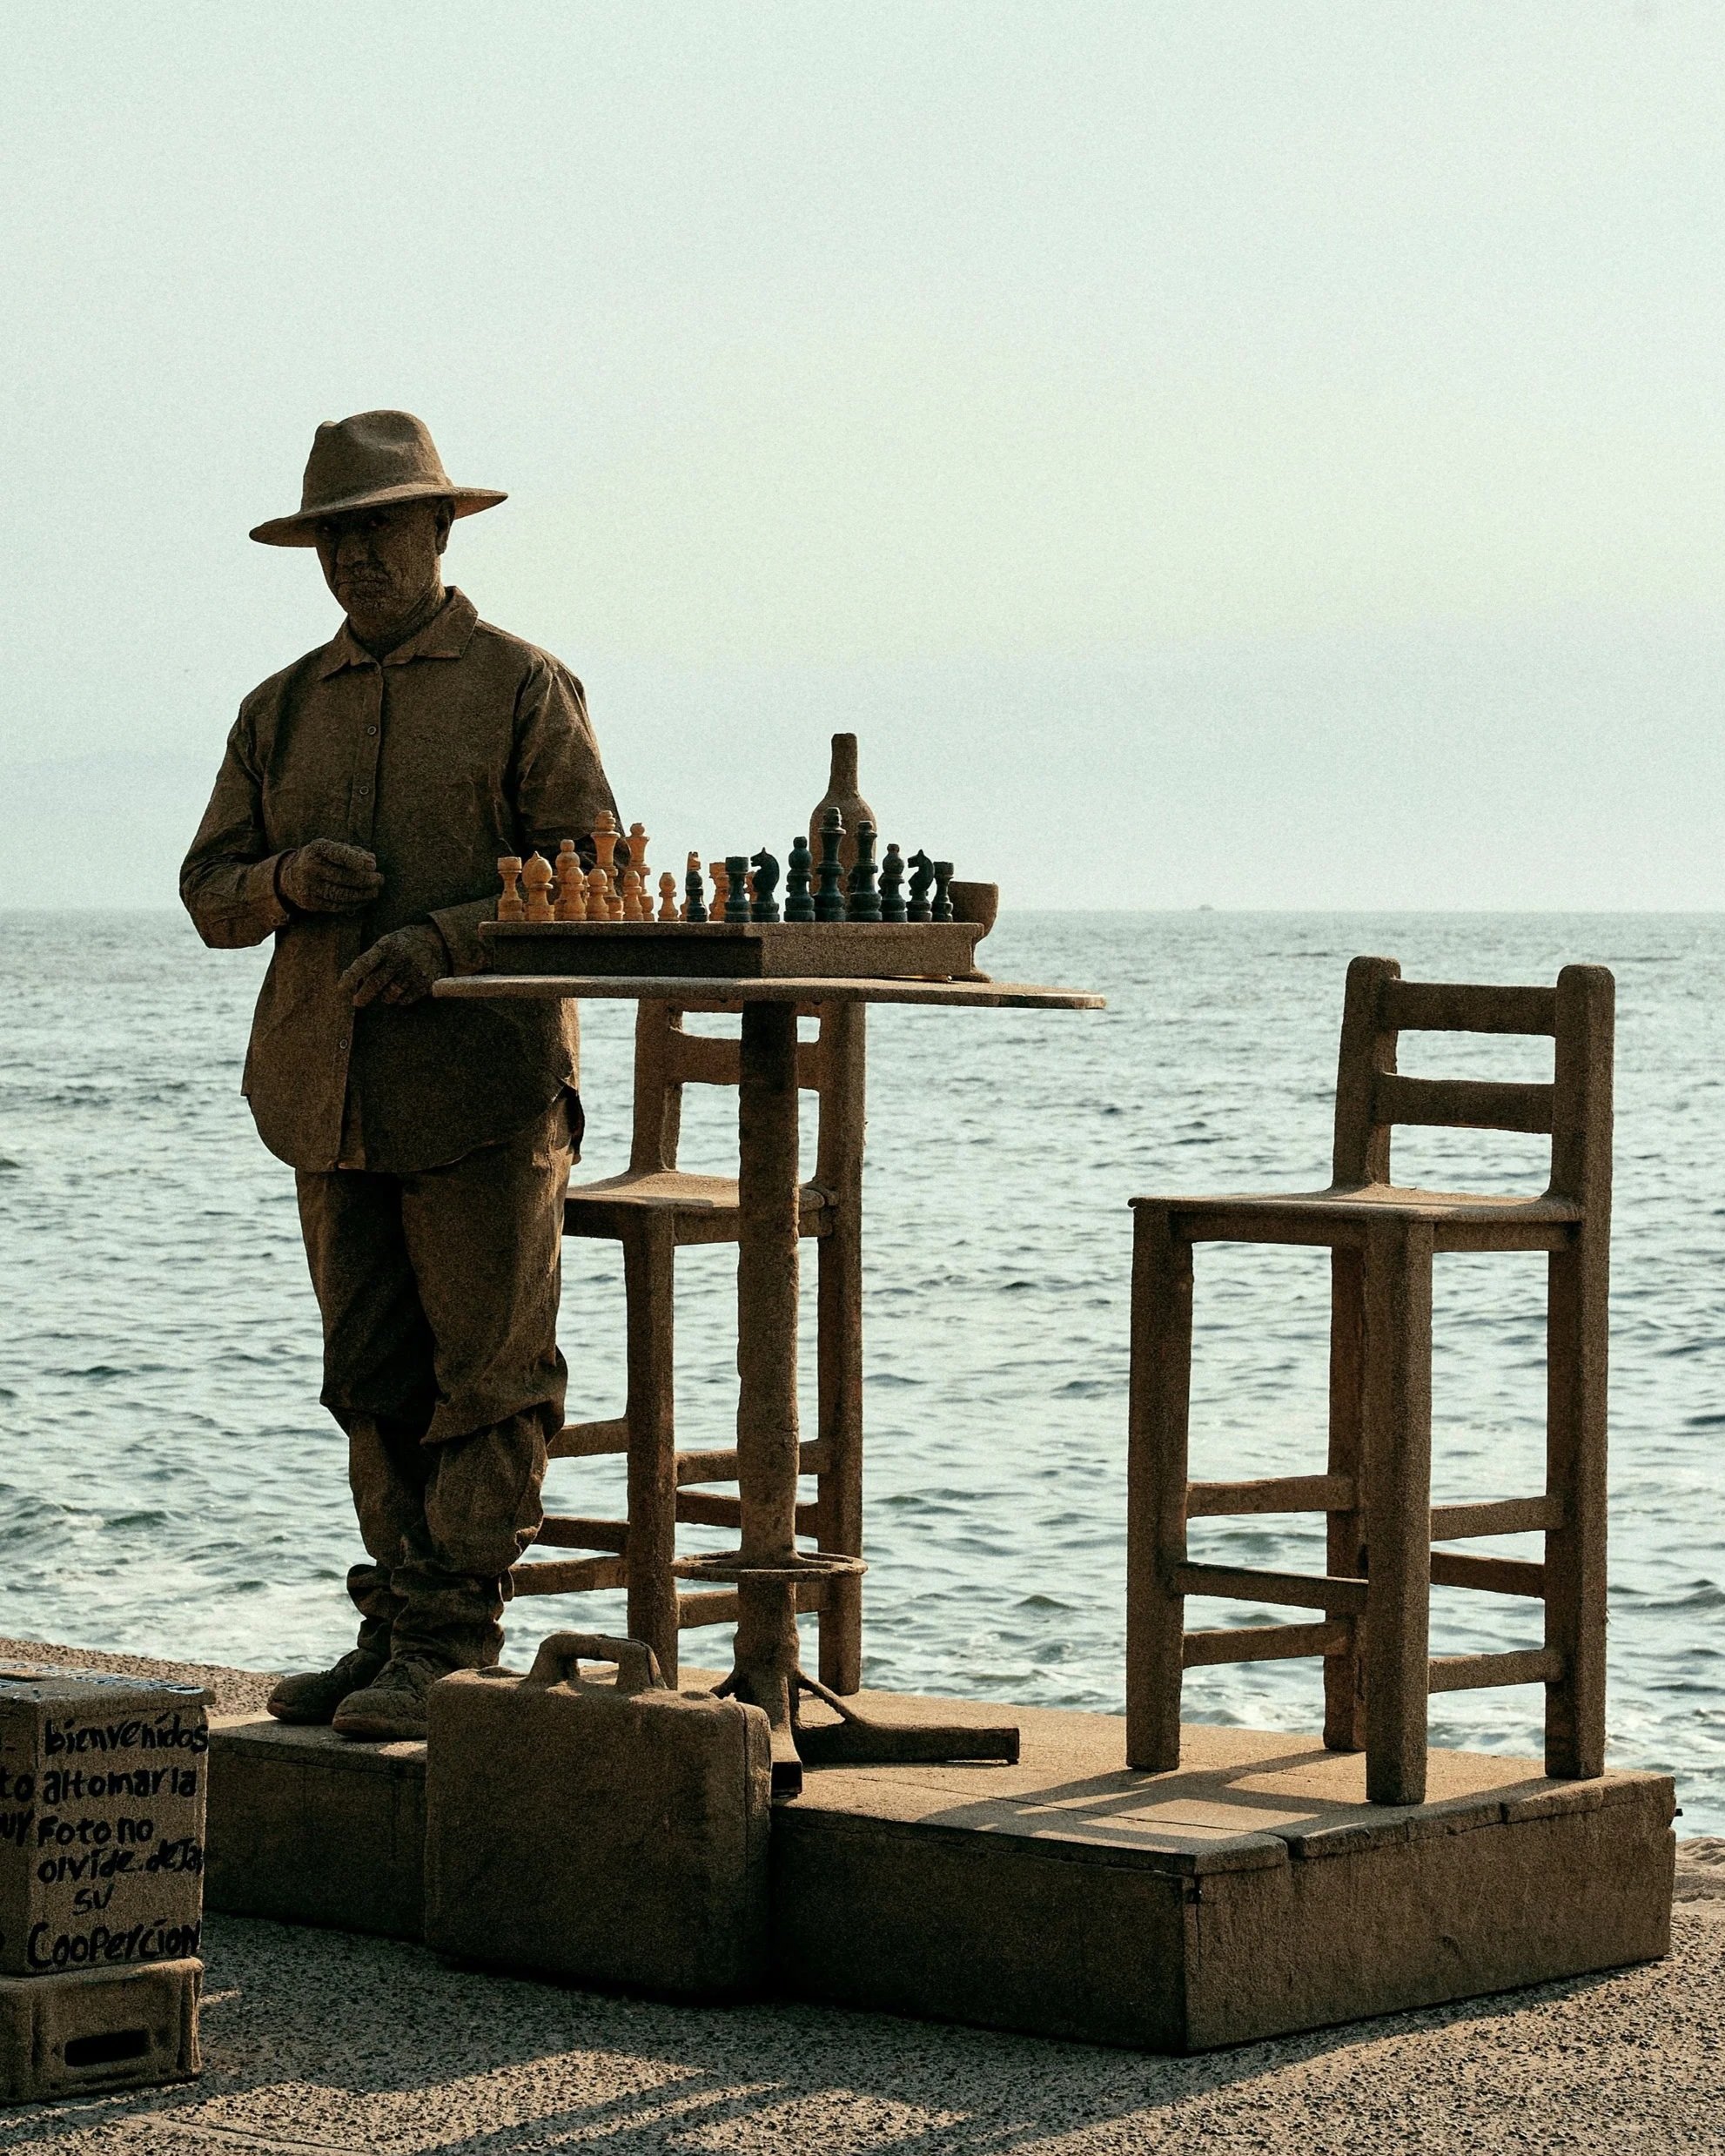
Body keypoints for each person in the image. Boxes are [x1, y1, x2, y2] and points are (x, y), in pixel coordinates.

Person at [181, 409, 617, 1739]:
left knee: (489, 1369)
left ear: (437, 528)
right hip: (326, 1091)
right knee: (367, 1372)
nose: (355, 556)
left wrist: (441, 942)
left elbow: (593, 871)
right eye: (334, 535)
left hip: (482, 1091)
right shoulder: (279, 707)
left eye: (379, 527)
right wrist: (281, 881)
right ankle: (393, 1628)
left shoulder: (521, 684)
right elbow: (207, 895)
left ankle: (449, 1638)